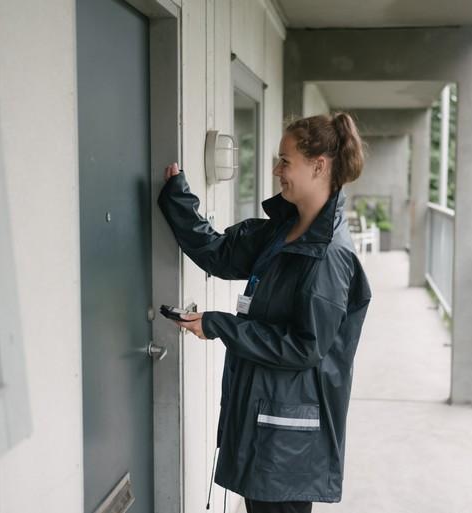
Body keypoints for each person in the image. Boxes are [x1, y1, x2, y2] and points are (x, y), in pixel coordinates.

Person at [157, 112, 372, 513]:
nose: (276, 169)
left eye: (285, 161)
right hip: (264, 414)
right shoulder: (284, 230)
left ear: (319, 165)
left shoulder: (327, 254)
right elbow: (218, 253)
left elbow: (305, 348)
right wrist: (177, 196)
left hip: (288, 436)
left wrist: (219, 325)